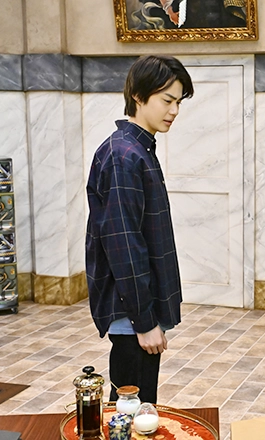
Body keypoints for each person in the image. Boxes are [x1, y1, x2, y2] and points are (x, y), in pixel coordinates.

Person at [85, 55, 194, 404]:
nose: (174, 111)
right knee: (130, 412)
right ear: (138, 96)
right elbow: (124, 245)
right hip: (131, 313)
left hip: (136, 310)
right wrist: (144, 321)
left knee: (138, 409)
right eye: (167, 100)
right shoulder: (124, 155)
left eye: (178, 102)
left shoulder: (138, 149)